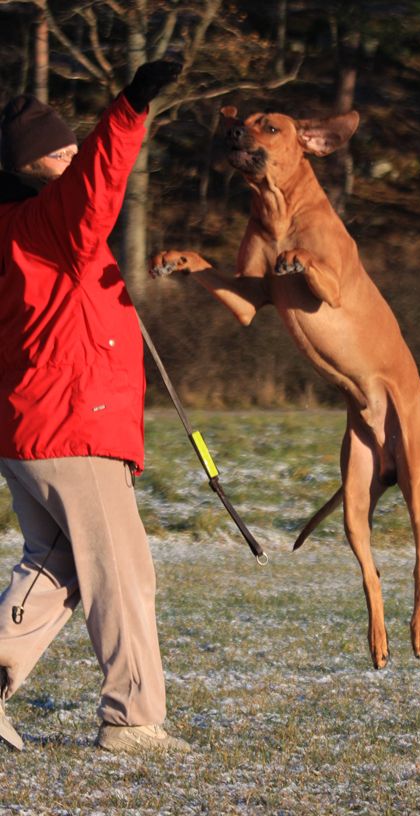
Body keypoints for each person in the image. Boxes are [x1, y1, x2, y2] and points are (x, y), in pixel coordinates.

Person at [0, 60, 187, 753]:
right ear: (34, 166)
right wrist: (131, 106)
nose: (77, 158)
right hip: (72, 429)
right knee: (122, 575)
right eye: (63, 152)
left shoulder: (13, 227)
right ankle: (133, 721)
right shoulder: (51, 219)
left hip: (27, 428)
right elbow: (100, 179)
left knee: (56, 567)